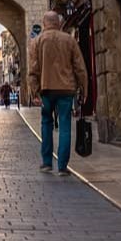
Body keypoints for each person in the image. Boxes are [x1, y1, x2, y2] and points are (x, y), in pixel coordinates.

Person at [28, 11, 88, 176]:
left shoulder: (37, 41)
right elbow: (80, 67)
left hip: (46, 89)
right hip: (66, 89)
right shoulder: (68, 40)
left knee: (46, 123)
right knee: (65, 125)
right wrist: (84, 88)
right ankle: (62, 166)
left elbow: (33, 70)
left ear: (44, 23)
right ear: (59, 23)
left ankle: (47, 163)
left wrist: (34, 91)